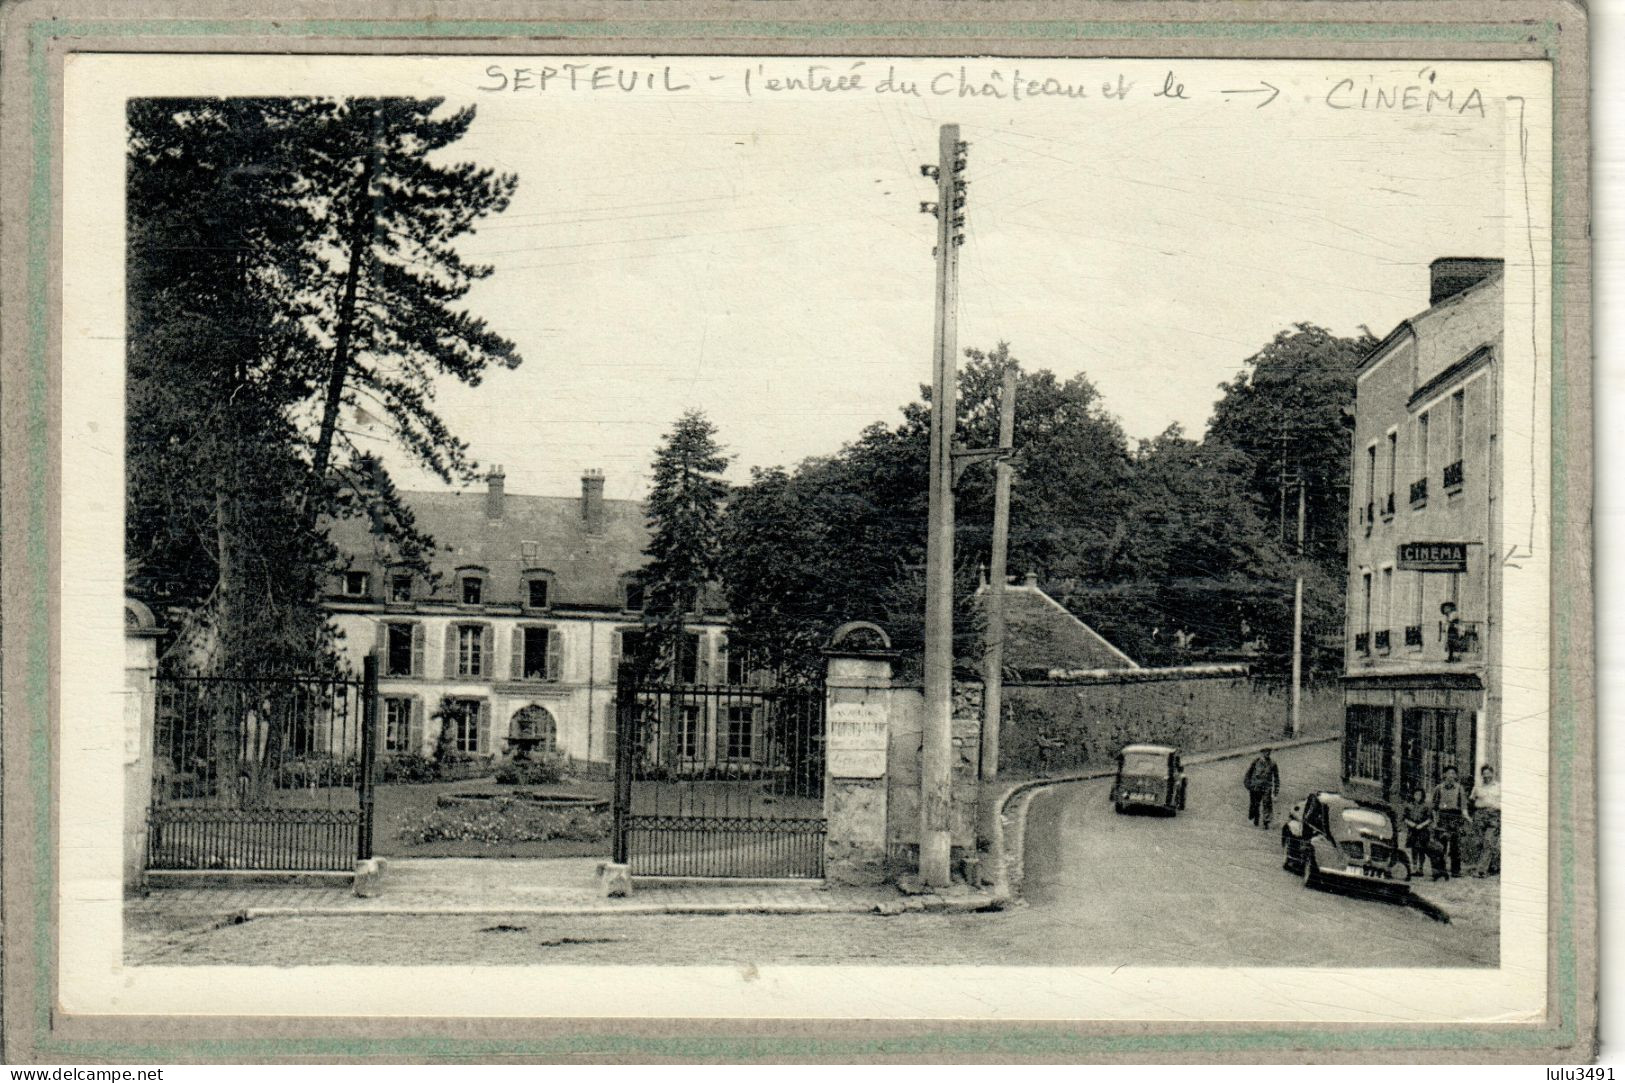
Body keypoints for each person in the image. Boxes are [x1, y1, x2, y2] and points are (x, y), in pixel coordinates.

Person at [1429, 764, 1470, 879]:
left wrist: (1467, 818)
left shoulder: (1459, 788)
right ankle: (1440, 870)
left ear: (1456, 776)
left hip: (1455, 818)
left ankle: (1456, 871)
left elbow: (1463, 806)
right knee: (1440, 845)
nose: (1451, 776)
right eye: (1449, 773)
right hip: (1443, 817)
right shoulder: (1439, 788)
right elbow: (1434, 807)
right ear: (1444, 775)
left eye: (1453, 773)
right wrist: (1435, 821)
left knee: (1455, 846)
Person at [1470, 764, 1502, 878]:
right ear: (1482, 775)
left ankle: (1481, 871)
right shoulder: (1478, 787)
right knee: (1479, 842)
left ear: (1493, 774)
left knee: (1488, 841)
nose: (1487, 775)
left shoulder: (1499, 786)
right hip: (1480, 815)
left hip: (1494, 815)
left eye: (1489, 773)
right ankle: (1484, 866)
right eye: (1484, 773)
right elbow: (1471, 801)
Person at [1399, 787, 1434, 878]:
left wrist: (1421, 825)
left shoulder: (1426, 806)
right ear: (1413, 795)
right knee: (1413, 849)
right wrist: (1411, 824)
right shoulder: (1409, 805)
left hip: (1422, 830)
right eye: (1416, 794)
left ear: (1422, 796)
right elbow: (1404, 818)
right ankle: (1414, 868)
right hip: (1412, 830)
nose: (1417, 796)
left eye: (1420, 795)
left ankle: (1420, 868)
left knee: (1421, 849)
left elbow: (1430, 819)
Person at [1244, 747, 1281, 828]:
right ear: (1262, 752)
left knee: (1267, 803)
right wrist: (1248, 784)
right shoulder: (1256, 762)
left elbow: (1276, 778)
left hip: (1266, 787)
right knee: (1255, 804)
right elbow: (1248, 773)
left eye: (1269, 751)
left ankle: (1266, 822)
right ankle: (1256, 818)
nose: (1267, 753)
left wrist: (1275, 793)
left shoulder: (1273, 763)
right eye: (1265, 751)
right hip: (1255, 787)